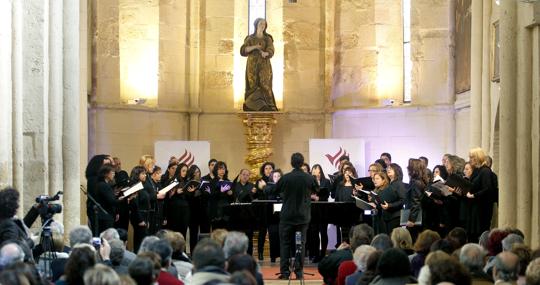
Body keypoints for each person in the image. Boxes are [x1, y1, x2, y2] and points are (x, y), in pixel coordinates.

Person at [271, 153, 317, 279]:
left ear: (291, 163)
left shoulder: (286, 178)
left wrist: (264, 188)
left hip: (287, 218)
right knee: (300, 244)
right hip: (302, 218)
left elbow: (274, 190)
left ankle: (285, 273)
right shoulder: (309, 178)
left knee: (285, 244)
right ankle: (299, 272)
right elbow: (317, 189)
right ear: (302, 163)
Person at [240, 18, 278, 111]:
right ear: (256, 25)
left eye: (264, 24)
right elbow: (243, 50)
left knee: (265, 84)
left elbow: (271, 49)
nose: (262, 26)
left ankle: (269, 105)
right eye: (261, 24)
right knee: (253, 85)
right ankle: (252, 105)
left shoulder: (267, 38)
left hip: (264, 65)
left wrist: (266, 53)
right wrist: (255, 47)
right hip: (252, 66)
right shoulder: (250, 38)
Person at [255, 162, 275, 261]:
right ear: (263, 170)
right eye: (266, 168)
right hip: (263, 209)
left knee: (273, 233)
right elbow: (260, 196)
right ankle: (260, 253)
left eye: (270, 168)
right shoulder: (259, 181)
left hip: (273, 210)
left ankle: (273, 255)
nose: (268, 170)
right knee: (262, 232)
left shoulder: (275, 180)